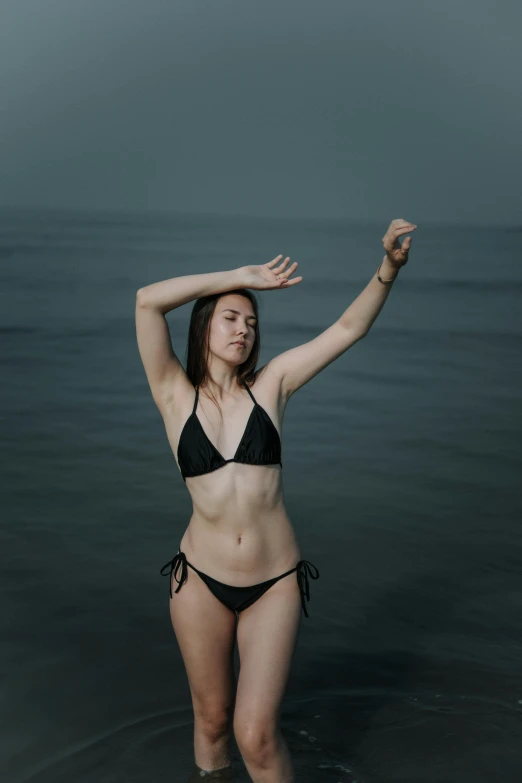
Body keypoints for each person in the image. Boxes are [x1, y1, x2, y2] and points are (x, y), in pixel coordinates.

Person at [135, 218, 416, 782]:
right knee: (212, 722)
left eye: (251, 321)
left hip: (273, 583)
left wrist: (388, 268)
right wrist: (236, 277)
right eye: (230, 318)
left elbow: (347, 330)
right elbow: (146, 302)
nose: (244, 329)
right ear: (205, 326)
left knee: (256, 735)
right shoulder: (172, 395)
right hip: (198, 582)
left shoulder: (274, 384)